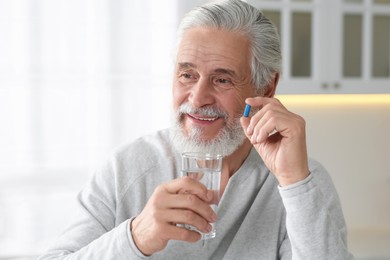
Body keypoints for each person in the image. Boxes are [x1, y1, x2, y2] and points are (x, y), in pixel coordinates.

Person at [38, 0, 354, 259]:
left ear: (266, 87)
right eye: (187, 75)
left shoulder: (300, 182)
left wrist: (294, 183)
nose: (198, 98)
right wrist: (137, 236)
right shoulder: (126, 168)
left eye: (222, 79)